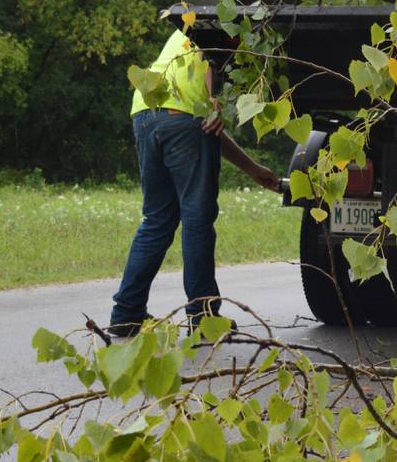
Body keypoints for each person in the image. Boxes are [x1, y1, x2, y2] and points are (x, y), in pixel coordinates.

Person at [107, 29, 280, 337]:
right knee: (197, 220)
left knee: (157, 219)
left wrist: (251, 168)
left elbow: (205, 127)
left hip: (146, 114)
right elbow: (209, 59)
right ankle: (203, 318)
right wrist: (216, 100)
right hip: (182, 119)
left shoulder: (185, 25)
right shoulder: (224, 22)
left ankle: (126, 313)